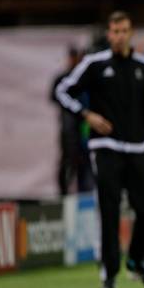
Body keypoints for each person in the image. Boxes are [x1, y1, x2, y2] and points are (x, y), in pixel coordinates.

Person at [56, 11, 144, 288]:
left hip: (140, 147)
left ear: (131, 34)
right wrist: (86, 114)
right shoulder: (94, 64)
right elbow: (63, 90)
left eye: (124, 31)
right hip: (105, 148)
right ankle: (109, 273)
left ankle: (136, 258)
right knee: (109, 211)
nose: (119, 36)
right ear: (109, 34)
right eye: (115, 31)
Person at [50, 45, 94, 195]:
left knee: (86, 160)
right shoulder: (64, 78)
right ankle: (64, 192)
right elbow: (56, 96)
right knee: (69, 160)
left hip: (86, 127)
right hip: (70, 127)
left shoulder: (87, 78)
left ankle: (84, 191)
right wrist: (77, 110)